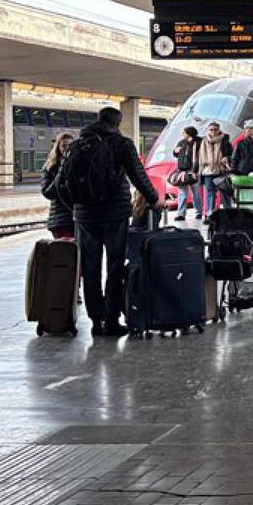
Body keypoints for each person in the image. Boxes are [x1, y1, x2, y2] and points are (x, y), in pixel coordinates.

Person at [68, 106, 165, 337]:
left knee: (90, 269)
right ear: (117, 123)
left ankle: (95, 320)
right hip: (114, 215)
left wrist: (74, 207)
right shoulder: (121, 144)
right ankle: (111, 320)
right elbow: (138, 175)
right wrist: (154, 199)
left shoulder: (78, 144)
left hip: (84, 216)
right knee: (114, 266)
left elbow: (63, 181)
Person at [39, 130, 75, 240]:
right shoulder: (50, 166)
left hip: (78, 219)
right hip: (60, 220)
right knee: (65, 254)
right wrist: (61, 171)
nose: (67, 149)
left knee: (80, 254)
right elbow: (47, 192)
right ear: (58, 147)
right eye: (64, 146)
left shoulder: (78, 164)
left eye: (70, 145)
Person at [196, 121, 233, 218]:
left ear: (219, 130)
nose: (213, 132)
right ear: (208, 130)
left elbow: (230, 154)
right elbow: (200, 156)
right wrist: (200, 171)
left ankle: (228, 214)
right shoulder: (204, 140)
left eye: (215, 129)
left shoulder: (225, 140)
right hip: (208, 171)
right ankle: (210, 214)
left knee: (225, 193)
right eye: (211, 130)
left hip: (221, 170)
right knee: (210, 193)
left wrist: (227, 158)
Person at [171, 125, 199, 221]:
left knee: (196, 194)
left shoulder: (198, 143)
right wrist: (175, 151)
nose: (182, 134)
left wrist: (196, 171)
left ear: (189, 134)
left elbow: (200, 157)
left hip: (194, 172)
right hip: (182, 171)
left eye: (184, 132)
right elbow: (176, 154)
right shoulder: (181, 142)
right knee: (182, 193)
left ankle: (198, 212)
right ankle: (181, 214)